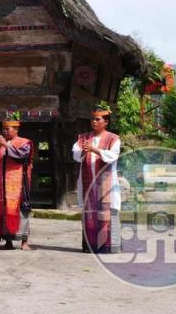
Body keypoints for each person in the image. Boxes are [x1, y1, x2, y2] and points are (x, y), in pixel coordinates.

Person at [72, 102, 121, 253]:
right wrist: (83, 151)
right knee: (90, 213)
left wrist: (94, 149)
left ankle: (108, 246)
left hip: (106, 183)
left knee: (106, 212)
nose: (94, 121)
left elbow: (112, 156)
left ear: (106, 122)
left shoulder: (113, 139)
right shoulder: (83, 137)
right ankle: (90, 245)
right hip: (88, 182)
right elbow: (75, 154)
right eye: (93, 119)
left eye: (98, 119)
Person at [0, 112, 33, 250]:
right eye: (3, 129)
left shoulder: (24, 142)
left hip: (18, 182)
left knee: (21, 209)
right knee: (4, 210)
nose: (5, 131)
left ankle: (24, 241)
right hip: (2, 183)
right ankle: (8, 240)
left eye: (8, 129)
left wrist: (7, 146)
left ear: (16, 129)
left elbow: (22, 157)